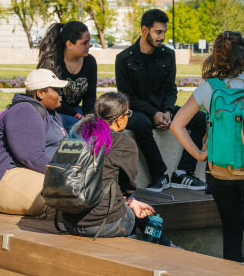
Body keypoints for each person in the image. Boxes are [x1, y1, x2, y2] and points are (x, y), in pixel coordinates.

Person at [170, 31, 244, 270]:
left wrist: (201, 155)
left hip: (219, 171)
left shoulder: (209, 88)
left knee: (231, 232)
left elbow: (176, 124)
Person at [115, 9, 206, 192]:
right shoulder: (124, 58)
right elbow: (127, 97)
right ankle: (160, 174)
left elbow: (171, 89)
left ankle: (183, 172)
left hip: (163, 110)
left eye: (164, 32)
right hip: (139, 111)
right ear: (144, 30)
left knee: (200, 118)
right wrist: (153, 113)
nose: (162, 36)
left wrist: (167, 111)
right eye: (158, 32)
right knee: (140, 123)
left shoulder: (167, 55)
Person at [62, 92, 171, 245]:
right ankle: (163, 248)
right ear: (120, 120)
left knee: (134, 209)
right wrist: (131, 201)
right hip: (102, 224)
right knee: (142, 218)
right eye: (128, 114)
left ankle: (165, 246)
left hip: (69, 220)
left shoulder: (79, 133)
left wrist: (131, 202)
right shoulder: (123, 143)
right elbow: (129, 187)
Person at [0, 69, 67, 215]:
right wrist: (64, 172)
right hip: (8, 176)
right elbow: (31, 156)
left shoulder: (51, 113)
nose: (61, 95)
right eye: (57, 90)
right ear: (40, 93)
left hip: (35, 173)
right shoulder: (24, 111)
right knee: (63, 196)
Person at [37, 21, 97, 133]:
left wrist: (90, 118)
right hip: (53, 111)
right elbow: (52, 100)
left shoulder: (90, 62)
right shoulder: (51, 63)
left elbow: (90, 98)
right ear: (69, 44)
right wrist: (78, 116)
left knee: (95, 126)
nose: (89, 46)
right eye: (85, 43)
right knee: (75, 126)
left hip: (76, 111)